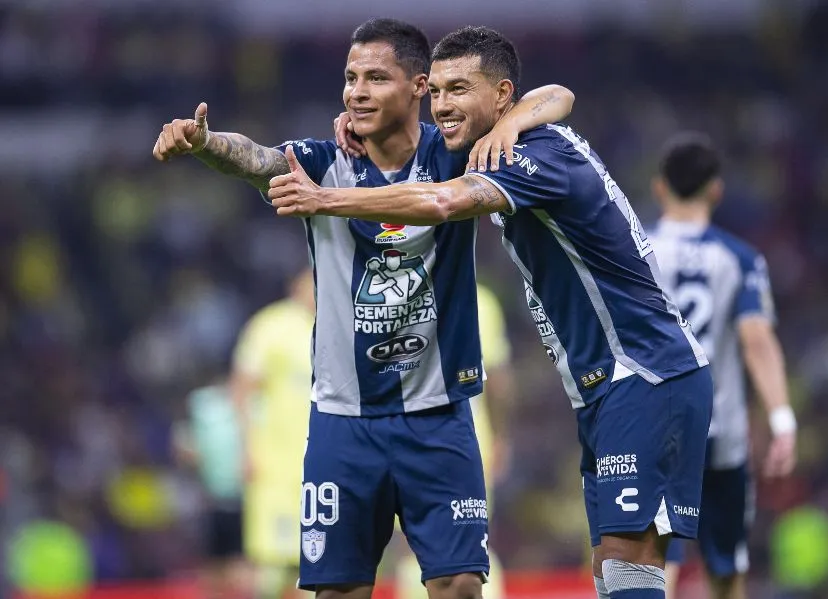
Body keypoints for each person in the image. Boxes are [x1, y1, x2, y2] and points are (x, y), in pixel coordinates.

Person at [268, 26, 714, 599]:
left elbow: (443, 201)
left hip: (647, 372)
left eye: (460, 90)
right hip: (605, 386)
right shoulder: (506, 143)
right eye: (438, 92)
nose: (444, 105)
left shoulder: (537, 153)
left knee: (630, 566)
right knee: (613, 570)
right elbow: (557, 94)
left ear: (502, 96)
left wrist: (323, 199)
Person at [153, 18, 574, 599]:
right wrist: (206, 144)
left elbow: (556, 97)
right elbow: (253, 159)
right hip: (342, 422)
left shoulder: (456, 154)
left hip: (439, 414)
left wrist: (519, 119)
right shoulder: (318, 161)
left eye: (377, 77)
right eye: (351, 78)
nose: (357, 91)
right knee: (338, 591)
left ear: (419, 87)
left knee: (459, 585)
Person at [645, 133, 797, 599]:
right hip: (723, 435)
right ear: (716, 191)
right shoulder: (740, 258)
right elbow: (757, 342)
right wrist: (781, 418)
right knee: (726, 568)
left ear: (659, 188)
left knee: (653, 564)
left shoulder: (638, 253)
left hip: (657, 431)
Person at [394, 282, 514, 599]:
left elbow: (500, 381)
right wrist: (501, 436)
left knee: (414, 543)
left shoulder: (399, 294)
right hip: (466, 435)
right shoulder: (481, 300)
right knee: (474, 540)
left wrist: (500, 437)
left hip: (415, 432)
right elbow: (499, 381)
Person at [232, 269, 316, 599]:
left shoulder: (338, 322)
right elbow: (241, 392)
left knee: (313, 561)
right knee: (269, 563)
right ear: (295, 284)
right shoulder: (270, 326)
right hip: (275, 468)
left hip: (320, 465)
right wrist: (244, 449)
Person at [172, 382, 255, 599]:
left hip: (245, 501)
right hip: (212, 501)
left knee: (242, 568)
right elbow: (185, 450)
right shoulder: (203, 405)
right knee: (214, 569)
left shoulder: (254, 406)